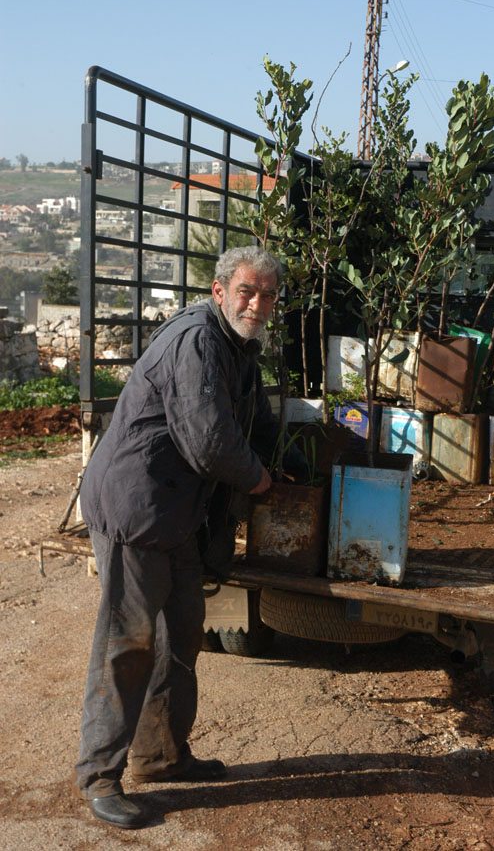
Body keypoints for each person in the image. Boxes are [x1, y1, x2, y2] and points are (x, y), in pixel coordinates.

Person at [73, 246, 308, 829]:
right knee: (128, 643)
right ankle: (101, 776)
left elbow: (254, 420)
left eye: (268, 294)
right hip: (138, 505)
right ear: (219, 290)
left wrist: (296, 458)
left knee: (181, 634)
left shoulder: (239, 349)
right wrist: (260, 478)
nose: (257, 303)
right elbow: (210, 441)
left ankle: (160, 757)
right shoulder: (198, 341)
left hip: (177, 510)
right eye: (247, 291)